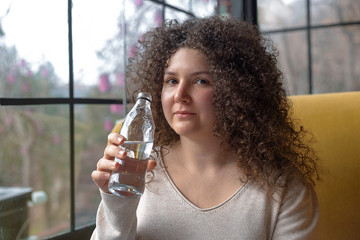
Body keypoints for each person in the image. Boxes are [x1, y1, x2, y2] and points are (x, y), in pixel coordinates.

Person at [91, 16, 320, 240]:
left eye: (201, 81)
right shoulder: (134, 170)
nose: (180, 95)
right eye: (171, 81)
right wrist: (118, 202)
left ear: (237, 91)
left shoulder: (283, 187)